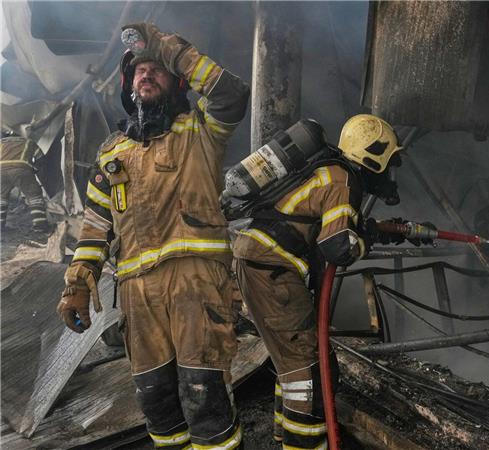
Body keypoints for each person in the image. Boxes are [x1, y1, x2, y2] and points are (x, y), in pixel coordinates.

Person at [56, 22, 249, 449]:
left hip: (196, 284)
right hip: (137, 296)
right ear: (128, 86)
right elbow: (95, 224)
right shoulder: (113, 152)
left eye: (155, 69)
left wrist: (166, 47)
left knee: (205, 400)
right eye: (138, 71)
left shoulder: (201, 131)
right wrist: (77, 283)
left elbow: (231, 93)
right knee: (158, 405)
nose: (145, 74)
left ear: (177, 81)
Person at [231, 114, 404, 449]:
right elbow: (338, 247)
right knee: (309, 374)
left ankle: (284, 437)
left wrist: (369, 229)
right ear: (374, 155)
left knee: (292, 364)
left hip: (259, 264)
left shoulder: (328, 170)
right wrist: (363, 238)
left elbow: (320, 222)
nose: (391, 170)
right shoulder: (344, 181)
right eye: (389, 160)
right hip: (272, 273)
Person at [0, 131, 48, 232]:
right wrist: (35, 170)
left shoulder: (1, 143)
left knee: (1, 198)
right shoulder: (29, 142)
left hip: (1, 171)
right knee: (34, 195)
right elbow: (41, 159)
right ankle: (40, 227)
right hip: (21, 170)